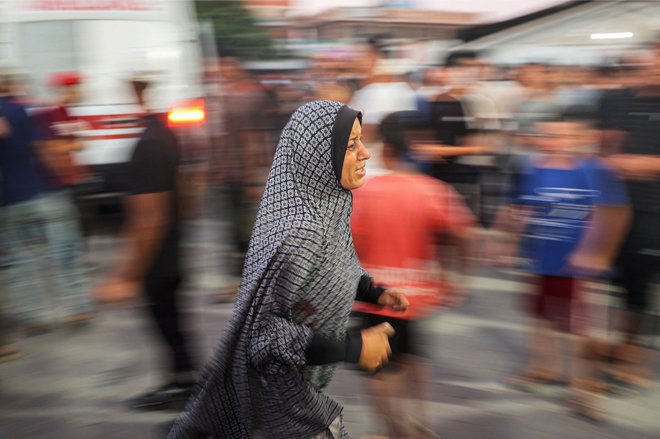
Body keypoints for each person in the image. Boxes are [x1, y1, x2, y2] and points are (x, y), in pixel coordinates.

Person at [168, 100, 409, 438]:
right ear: (317, 157)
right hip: (275, 395)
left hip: (291, 387)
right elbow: (265, 333)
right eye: (352, 144)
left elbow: (337, 267)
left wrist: (376, 292)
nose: (366, 153)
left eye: (362, 141)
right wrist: (354, 348)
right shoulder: (302, 232)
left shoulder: (326, 207)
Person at [496, 107, 630, 420]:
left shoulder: (594, 169)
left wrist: (598, 254)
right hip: (542, 257)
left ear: (582, 138)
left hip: (579, 265)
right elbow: (520, 208)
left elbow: (615, 213)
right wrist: (507, 242)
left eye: (565, 135)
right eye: (549, 134)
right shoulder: (531, 167)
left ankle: (587, 390)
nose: (556, 141)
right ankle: (543, 368)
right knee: (540, 317)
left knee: (584, 329)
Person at [351, 111, 475, 438]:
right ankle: (420, 424)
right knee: (413, 360)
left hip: (373, 299)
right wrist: (457, 276)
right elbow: (463, 233)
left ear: (384, 149)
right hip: (415, 298)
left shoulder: (363, 193)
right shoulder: (433, 190)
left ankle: (395, 431)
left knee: (381, 372)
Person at [94, 72, 196, 410]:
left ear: (140, 97)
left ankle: (183, 384)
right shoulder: (165, 137)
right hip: (172, 251)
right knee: (171, 322)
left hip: (159, 258)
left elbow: (149, 217)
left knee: (166, 320)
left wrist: (127, 275)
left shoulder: (149, 144)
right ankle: (183, 381)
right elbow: (187, 195)